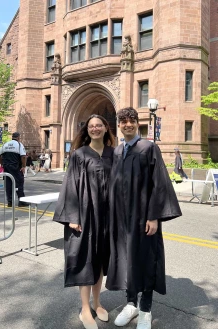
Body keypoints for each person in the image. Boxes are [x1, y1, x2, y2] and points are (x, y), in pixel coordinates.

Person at [105, 108, 182, 329]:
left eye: (132, 120)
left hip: (144, 217)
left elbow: (159, 184)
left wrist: (154, 216)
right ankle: (131, 304)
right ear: (118, 125)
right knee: (127, 259)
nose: (127, 124)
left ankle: (146, 308)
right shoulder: (118, 151)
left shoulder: (149, 148)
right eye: (123, 121)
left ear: (138, 123)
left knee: (146, 259)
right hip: (122, 219)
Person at [53, 114, 115, 329]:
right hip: (85, 216)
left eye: (99, 125)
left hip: (107, 216)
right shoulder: (79, 155)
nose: (95, 128)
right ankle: (85, 309)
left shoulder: (113, 154)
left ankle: (98, 303)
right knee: (85, 260)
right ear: (86, 130)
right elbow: (70, 185)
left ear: (106, 128)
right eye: (91, 126)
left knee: (100, 260)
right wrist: (73, 216)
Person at [0, 132, 27, 207]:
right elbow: (23, 156)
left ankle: (10, 202)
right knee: (19, 183)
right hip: (16, 167)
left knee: (8, 184)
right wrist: (23, 166)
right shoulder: (19, 145)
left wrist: (2, 163)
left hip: (7, 167)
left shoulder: (5, 144)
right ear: (18, 137)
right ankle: (21, 201)